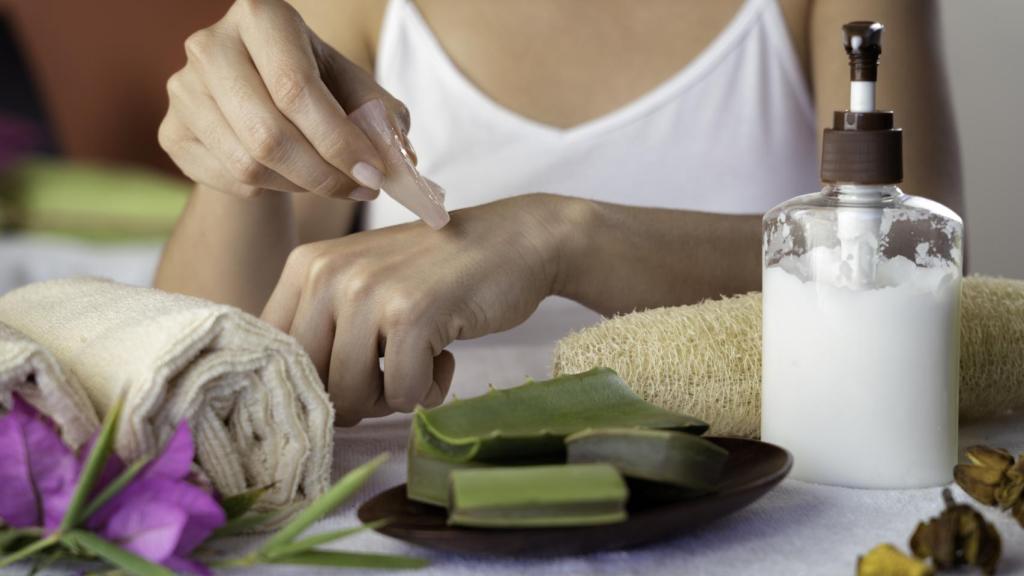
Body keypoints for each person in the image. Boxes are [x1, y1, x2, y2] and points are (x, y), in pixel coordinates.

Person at [154, 0, 962, 426]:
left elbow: (920, 270)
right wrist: (236, 161)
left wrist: (563, 238)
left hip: (770, 486)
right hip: (427, 505)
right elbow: (191, 363)